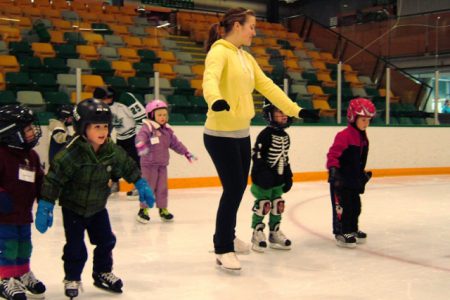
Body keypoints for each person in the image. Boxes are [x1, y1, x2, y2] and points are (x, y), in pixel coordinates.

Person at [203, 7, 319, 271]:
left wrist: (295, 110)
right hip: (219, 135)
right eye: (252, 26)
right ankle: (222, 247)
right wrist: (216, 99)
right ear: (237, 26)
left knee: (237, 188)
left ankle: (228, 236)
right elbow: (209, 79)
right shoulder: (219, 52)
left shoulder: (245, 57)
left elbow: (267, 86)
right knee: (232, 189)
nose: (254, 31)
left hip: (241, 133)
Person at [34, 98, 155, 299]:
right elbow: (53, 179)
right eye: (96, 127)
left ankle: (102, 272)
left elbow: (127, 165)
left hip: (98, 206)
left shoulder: (111, 150)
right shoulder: (71, 153)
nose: (102, 131)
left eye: (105, 127)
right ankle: (72, 277)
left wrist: (140, 183)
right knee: (75, 246)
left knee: (106, 241)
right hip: (73, 207)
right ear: (83, 128)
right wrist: (45, 205)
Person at [0, 104, 46, 300]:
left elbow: (39, 180)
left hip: (24, 214)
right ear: (12, 133)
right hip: (4, 215)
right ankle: (5, 278)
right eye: (27, 128)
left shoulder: (31, 156)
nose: (33, 132)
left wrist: (45, 200)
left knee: (25, 245)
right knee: (7, 245)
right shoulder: (1, 155)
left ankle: (22, 272)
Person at [135, 99, 196, 223]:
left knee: (162, 188)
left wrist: (186, 152)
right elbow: (140, 137)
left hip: (162, 164)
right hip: (149, 165)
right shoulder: (148, 127)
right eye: (159, 115)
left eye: (164, 114)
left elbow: (176, 144)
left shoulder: (167, 131)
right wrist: (140, 144)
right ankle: (143, 210)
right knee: (148, 188)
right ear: (151, 115)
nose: (163, 117)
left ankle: (163, 209)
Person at [326, 97, 375, 248]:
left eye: (368, 120)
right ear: (353, 117)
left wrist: (361, 176)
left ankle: (352, 229)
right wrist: (334, 171)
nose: (366, 124)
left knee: (355, 206)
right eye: (363, 120)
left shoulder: (363, 138)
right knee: (343, 207)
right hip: (341, 179)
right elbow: (333, 154)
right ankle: (342, 231)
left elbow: (359, 159)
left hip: (353, 179)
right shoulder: (345, 135)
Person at [250, 100, 294, 252]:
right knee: (264, 205)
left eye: (285, 112)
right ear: (270, 114)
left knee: (277, 204)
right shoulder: (265, 134)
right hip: (264, 180)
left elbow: (284, 157)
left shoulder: (286, 136)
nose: (284, 115)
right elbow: (257, 154)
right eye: (280, 112)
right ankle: (257, 232)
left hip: (278, 179)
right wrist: (262, 173)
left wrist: (288, 175)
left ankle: (274, 232)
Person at [93, 87, 146, 195]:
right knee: (114, 160)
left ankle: (140, 186)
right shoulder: (103, 106)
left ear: (107, 97)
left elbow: (142, 117)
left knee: (135, 162)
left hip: (134, 135)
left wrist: (139, 136)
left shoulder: (126, 99)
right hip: (121, 136)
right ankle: (115, 184)